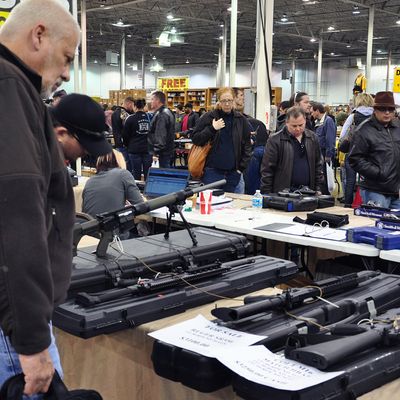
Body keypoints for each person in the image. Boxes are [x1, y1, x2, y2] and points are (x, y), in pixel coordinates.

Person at [0, 1, 110, 395]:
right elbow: (16, 219)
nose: (66, 72)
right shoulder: (9, 86)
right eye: (66, 57)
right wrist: (31, 342)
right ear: (38, 34)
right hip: (12, 325)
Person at [191, 87, 252, 193]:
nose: (227, 104)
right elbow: (196, 139)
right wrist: (212, 129)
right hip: (212, 173)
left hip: (234, 173)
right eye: (224, 101)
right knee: (211, 205)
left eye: (229, 100)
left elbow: (247, 145)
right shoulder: (208, 117)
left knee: (233, 206)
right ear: (219, 101)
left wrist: (241, 168)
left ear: (233, 100)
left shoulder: (241, 120)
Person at [348, 91, 400, 208]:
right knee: (375, 224)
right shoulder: (363, 130)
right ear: (375, 110)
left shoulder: (398, 127)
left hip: (396, 191)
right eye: (383, 109)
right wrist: (379, 173)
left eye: (390, 109)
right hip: (375, 191)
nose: (387, 112)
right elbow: (355, 159)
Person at [260, 107, 324, 194]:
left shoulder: (312, 138)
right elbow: (267, 171)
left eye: (301, 125)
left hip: (309, 193)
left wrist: (318, 189)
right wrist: (267, 195)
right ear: (286, 123)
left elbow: (318, 166)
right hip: (283, 194)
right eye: (294, 126)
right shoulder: (275, 140)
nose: (298, 129)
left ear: (305, 121)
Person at [82, 150, 143, 227]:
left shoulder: (90, 180)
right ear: (120, 161)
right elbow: (140, 205)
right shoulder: (123, 174)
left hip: (91, 235)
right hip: (113, 234)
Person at [339, 93, 374, 207]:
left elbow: (343, 134)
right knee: (368, 181)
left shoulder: (353, 116)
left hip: (353, 152)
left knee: (350, 181)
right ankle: (366, 206)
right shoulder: (375, 116)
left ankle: (348, 205)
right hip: (370, 154)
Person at [310, 101, 337, 194]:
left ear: (317, 111)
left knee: (325, 178)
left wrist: (328, 155)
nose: (311, 114)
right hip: (319, 153)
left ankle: (326, 197)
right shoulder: (317, 122)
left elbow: (330, 139)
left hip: (325, 154)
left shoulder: (328, 121)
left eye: (312, 112)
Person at [123, 98, 152, 181]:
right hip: (147, 149)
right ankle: (147, 190)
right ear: (144, 106)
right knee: (148, 172)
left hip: (134, 149)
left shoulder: (130, 119)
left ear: (134, 106)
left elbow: (125, 135)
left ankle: (137, 190)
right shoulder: (149, 117)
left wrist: (128, 145)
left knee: (136, 173)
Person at [148, 90, 175, 168]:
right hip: (167, 150)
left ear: (157, 100)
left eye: (152, 99)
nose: (151, 102)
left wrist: (156, 151)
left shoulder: (162, 114)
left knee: (164, 175)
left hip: (163, 152)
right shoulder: (167, 111)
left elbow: (161, 135)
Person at [111, 96, 134, 169]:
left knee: (120, 165)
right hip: (124, 144)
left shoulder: (115, 112)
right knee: (127, 166)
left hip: (118, 143)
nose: (133, 108)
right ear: (129, 103)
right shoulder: (124, 114)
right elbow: (128, 129)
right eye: (133, 105)